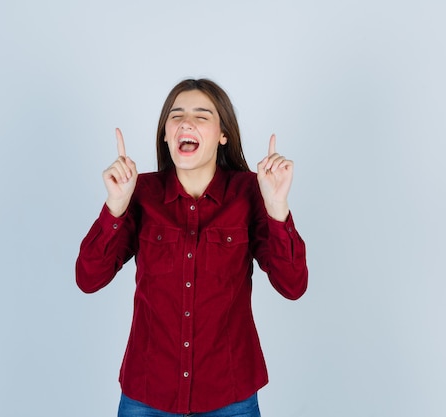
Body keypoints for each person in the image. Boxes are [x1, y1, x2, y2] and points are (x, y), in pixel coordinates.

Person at [76, 79, 308, 417]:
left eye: (202, 116)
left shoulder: (250, 193)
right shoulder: (139, 192)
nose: (187, 122)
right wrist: (115, 206)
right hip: (147, 394)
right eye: (177, 115)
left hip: (230, 395)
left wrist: (277, 208)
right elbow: (88, 278)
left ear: (222, 134)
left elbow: (293, 285)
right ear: (166, 135)